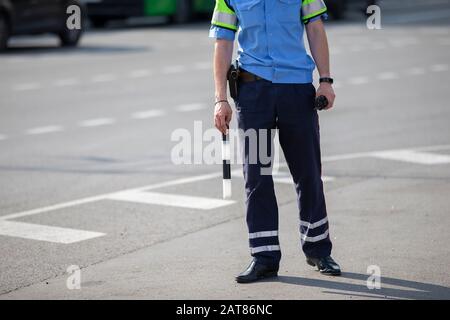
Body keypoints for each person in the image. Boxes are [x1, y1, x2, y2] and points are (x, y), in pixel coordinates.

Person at [210, 0, 341, 283]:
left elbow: (315, 29)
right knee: (256, 177)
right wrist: (221, 98)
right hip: (253, 93)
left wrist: (326, 80)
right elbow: (223, 41)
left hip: (296, 91)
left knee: (307, 173)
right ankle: (264, 257)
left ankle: (318, 250)